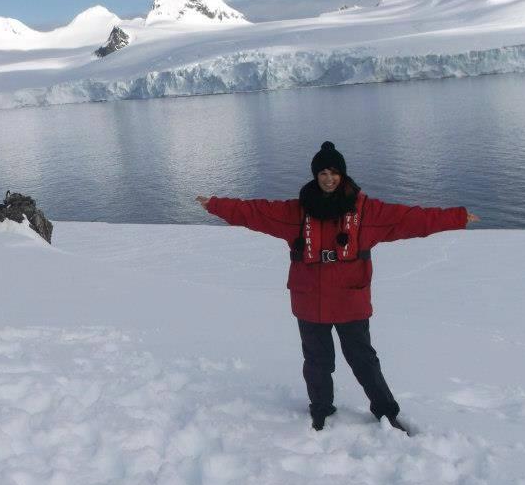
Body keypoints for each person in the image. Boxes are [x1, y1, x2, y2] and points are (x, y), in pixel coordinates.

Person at [196, 141, 478, 434]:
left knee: (363, 360)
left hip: (350, 300)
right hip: (310, 301)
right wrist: (216, 205)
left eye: (334, 172)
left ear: (342, 175)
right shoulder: (297, 212)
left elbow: (411, 218)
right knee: (317, 362)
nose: (328, 178)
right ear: (315, 176)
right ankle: (320, 409)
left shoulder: (366, 211)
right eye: (323, 173)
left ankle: (385, 412)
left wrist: (456, 217)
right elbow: (254, 212)